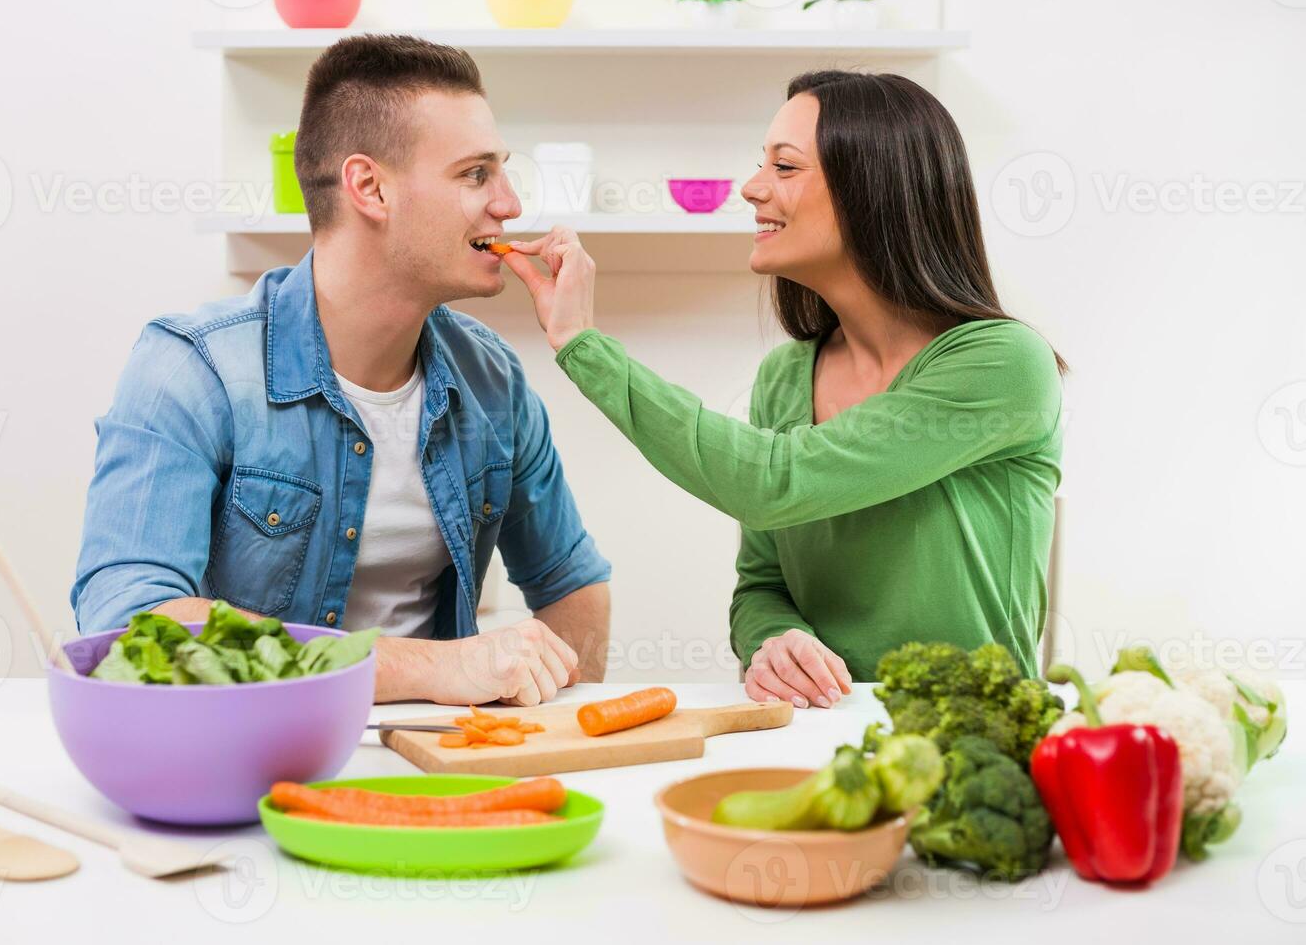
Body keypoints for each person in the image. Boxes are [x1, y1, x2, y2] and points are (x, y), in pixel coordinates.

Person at [71, 35, 611, 706]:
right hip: (255, 763)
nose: (508, 204)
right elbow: (131, 627)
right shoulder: (192, 371)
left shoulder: (491, 379)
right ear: (369, 187)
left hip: (436, 765)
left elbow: (572, 583)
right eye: (475, 174)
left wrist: (556, 727)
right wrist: (428, 668)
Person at [504, 70, 1064, 707]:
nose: (751, 187)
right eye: (759, 164)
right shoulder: (786, 377)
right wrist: (775, 639)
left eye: (785, 166)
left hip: (973, 739)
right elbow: (762, 586)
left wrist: (584, 344)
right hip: (820, 734)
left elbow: (774, 482)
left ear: (871, 191)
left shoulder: (1000, 363)